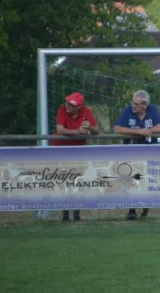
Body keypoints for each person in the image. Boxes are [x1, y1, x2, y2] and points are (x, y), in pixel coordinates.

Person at [114, 90, 160, 220]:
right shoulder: (127, 110)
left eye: (136, 104)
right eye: (132, 102)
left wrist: (148, 131)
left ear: (145, 105)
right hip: (131, 152)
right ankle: (132, 210)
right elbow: (117, 129)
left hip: (149, 152)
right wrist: (138, 131)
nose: (133, 105)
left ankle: (145, 208)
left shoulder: (152, 109)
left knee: (146, 180)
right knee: (131, 179)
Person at [51, 92, 100, 222]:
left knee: (78, 181)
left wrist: (89, 127)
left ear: (79, 106)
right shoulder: (62, 109)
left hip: (78, 151)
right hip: (61, 150)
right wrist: (77, 132)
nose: (67, 106)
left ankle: (76, 213)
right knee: (63, 181)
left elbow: (96, 131)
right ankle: (65, 214)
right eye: (67, 102)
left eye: (71, 104)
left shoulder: (86, 111)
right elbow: (60, 130)